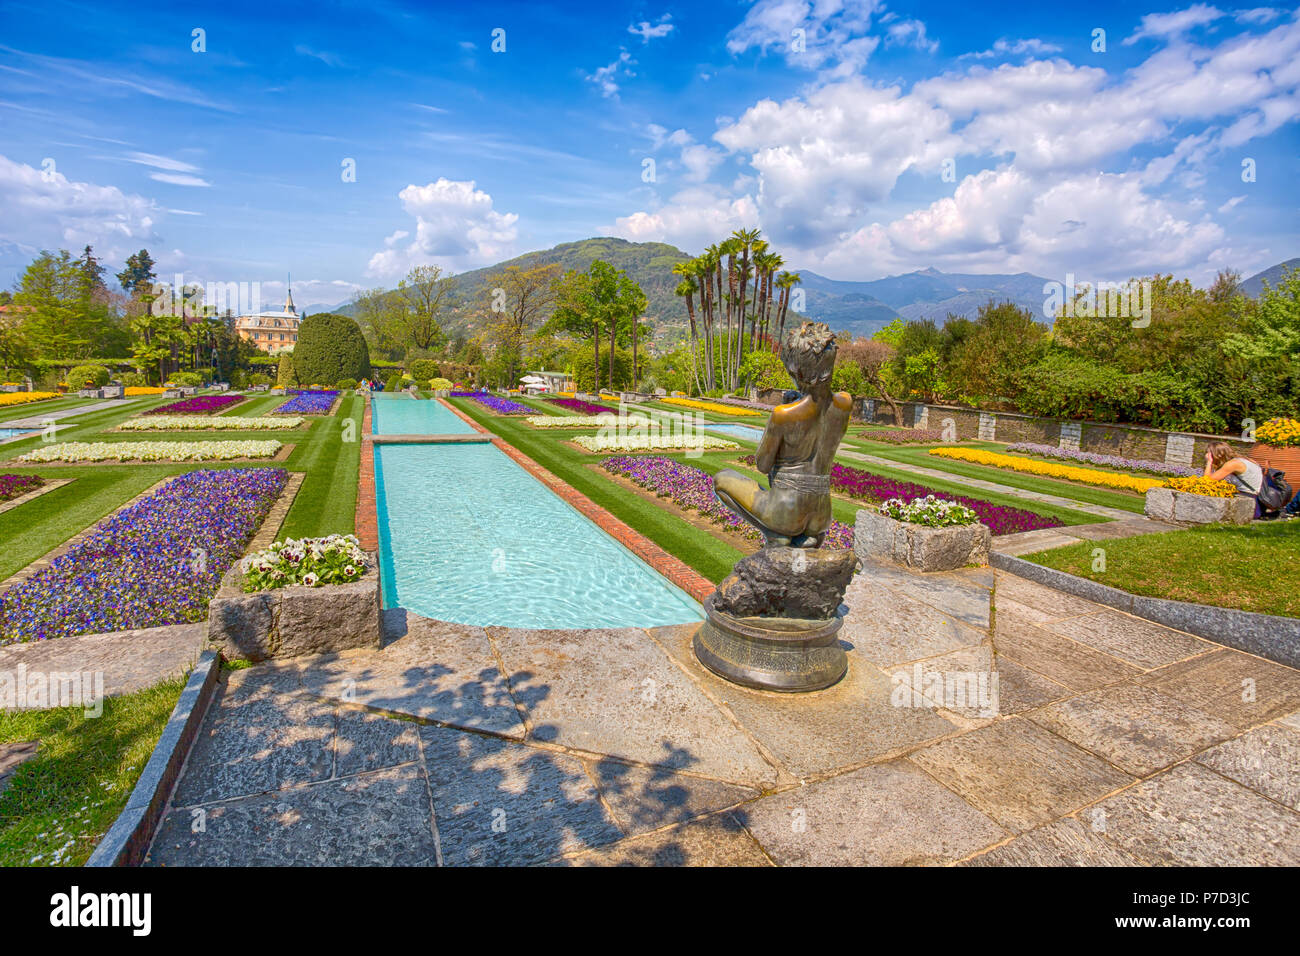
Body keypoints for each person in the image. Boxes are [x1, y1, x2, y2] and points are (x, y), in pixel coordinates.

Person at [713, 322, 851, 548]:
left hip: (785, 512)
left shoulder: (784, 415)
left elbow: (763, 464)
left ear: (797, 369)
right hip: (821, 515)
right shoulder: (845, 404)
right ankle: (809, 537)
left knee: (722, 479)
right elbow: (819, 414)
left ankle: (775, 534)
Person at [1203, 441, 1266, 517]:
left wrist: (1209, 462)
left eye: (1209, 454)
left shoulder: (1233, 464)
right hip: (1256, 498)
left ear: (1217, 455)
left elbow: (1207, 481)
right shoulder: (1243, 459)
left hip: (1248, 499)